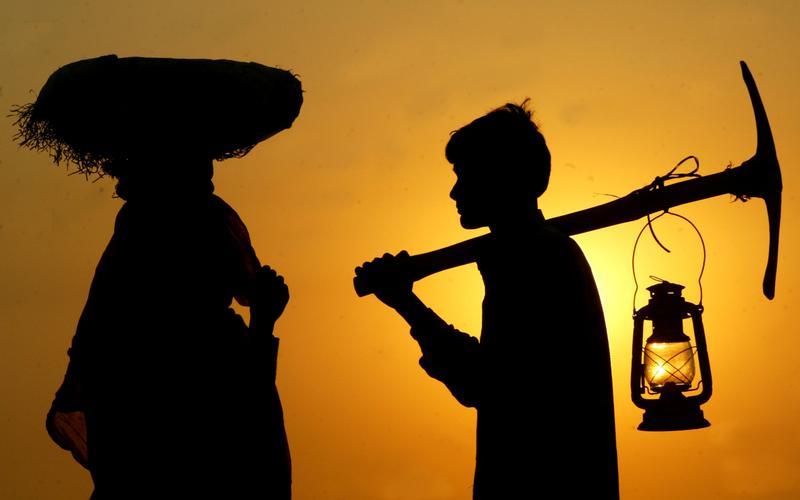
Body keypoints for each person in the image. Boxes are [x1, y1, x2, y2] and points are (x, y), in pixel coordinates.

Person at [357, 101, 619, 499]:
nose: (455, 191)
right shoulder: (530, 254)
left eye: (466, 175)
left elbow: (488, 385)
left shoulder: (534, 261)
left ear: (501, 178)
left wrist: (407, 304)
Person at [46, 157, 292, 499]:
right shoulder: (164, 341)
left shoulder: (117, 343)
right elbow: (251, 429)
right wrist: (263, 322)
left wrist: (262, 323)